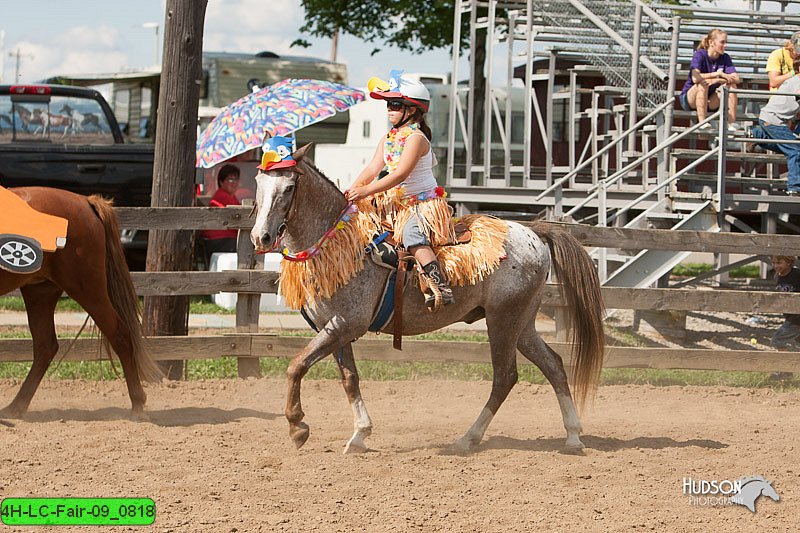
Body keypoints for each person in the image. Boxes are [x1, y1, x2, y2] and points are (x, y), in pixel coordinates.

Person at [346, 70, 456, 308]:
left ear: (412, 109)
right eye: (388, 104)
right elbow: (372, 168)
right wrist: (350, 191)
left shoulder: (416, 139)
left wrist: (365, 192)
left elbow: (400, 174)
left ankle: (440, 285)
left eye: (395, 104)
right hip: (397, 204)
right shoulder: (388, 138)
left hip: (421, 204)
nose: (389, 109)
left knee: (411, 235)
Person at [679, 28, 741, 131]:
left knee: (732, 86)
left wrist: (721, 80)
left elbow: (737, 79)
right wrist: (717, 75)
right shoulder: (700, 54)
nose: (725, 45)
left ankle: (731, 124)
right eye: (722, 42)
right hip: (691, 99)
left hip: (710, 100)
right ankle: (702, 123)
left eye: (726, 42)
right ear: (711, 42)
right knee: (703, 83)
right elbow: (695, 78)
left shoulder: (725, 57)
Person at [753, 68, 800, 194]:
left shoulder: (793, 80)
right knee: (795, 151)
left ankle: (756, 135)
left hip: (770, 117)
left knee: (789, 148)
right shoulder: (798, 81)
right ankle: (794, 188)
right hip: (774, 119)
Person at [199, 163, 241, 265]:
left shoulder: (231, 196)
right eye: (230, 179)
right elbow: (237, 220)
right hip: (220, 240)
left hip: (225, 239)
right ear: (221, 182)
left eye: (236, 179)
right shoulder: (223, 196)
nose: (234, 182)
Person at [769, 255, 799, 379]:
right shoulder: (777, 276)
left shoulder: (797, 275)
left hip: (797, 317)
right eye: (774, 262)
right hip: (790, 316)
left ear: (789, 262)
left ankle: (785, 372)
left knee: (778, 339)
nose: (776, 266)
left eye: (779, 263)